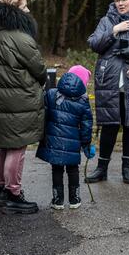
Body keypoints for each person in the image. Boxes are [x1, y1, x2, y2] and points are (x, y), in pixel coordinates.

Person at [0, 0, 46, 214]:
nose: (28, 11)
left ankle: (1, 190)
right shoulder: (20, 38)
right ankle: (14, 194)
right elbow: (39, 69)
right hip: (19, 101)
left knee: (4, 147)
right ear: (15, 10)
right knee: (17, 147)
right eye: (25, 7)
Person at [85, 0, 129, 184]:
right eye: (118, 0)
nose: (120, 3)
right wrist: (114, 31)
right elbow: (94, 44)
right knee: (109, 124)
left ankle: (127, 168)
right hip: (109, 80)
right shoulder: (106, 20)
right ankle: (101, 168)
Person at [36, 65, 95, 210]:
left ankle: (58, 200)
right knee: (73, 170)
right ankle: (74, 199)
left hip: (54, 141)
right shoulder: (83, 100)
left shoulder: (51, 94)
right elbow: (87, 125)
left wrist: (43, 135)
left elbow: (43, 115)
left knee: (57, 170)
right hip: (73, 144)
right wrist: (86, 143)